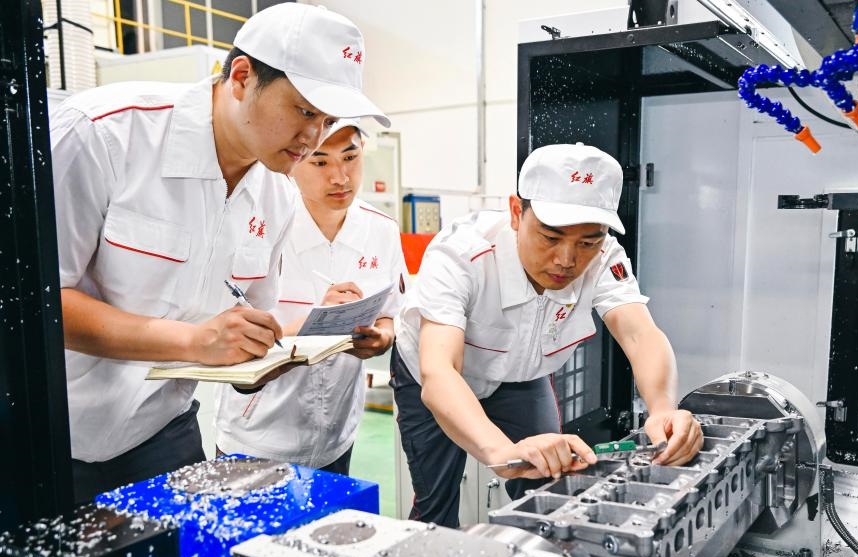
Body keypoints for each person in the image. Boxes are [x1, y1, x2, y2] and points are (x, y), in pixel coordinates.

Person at [51, 3, 389, 503]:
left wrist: (272, 353)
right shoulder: (104, 134)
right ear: (242, 76)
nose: (313, 137)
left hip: (159, 427)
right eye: (304, 111)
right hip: (52, 430)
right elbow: (35, 305)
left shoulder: (276, 196)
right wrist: (192, 341)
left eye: (328, 120)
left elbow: (245, 329)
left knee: (181, 555)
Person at [392, 142, 704, 527]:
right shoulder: (460, 255)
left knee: (550, 486)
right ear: (515, 213)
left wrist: (663, 409)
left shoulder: (603, 255)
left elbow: (640, 334)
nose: (566, 260)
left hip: (520, 378)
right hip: (432, 379)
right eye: (550, 237)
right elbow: (439, 372)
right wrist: (502, 453)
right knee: (436, 503)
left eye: (587, 242)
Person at [214, 119, 404, 474]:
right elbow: (227, 336)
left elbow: (389, 313)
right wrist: (314, 325)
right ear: (294, 161)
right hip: (257, 439)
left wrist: (382, 337)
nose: (340, 177)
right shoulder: (256, 229)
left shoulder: (382, 230)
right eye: (320, 162)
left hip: (336, 437)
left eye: (350, 158)